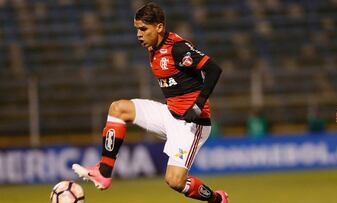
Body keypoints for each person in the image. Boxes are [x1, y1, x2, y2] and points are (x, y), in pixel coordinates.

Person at [72, 2, 228, 203]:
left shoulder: (178, 49)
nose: (139, 34)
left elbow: (214, 69)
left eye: (143, 29)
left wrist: (197, 105)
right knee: (118, 109)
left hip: (192, 123)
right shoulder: (154, 47)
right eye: (137, 29)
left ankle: (217, 199)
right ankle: (104, 171)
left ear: (159, 27)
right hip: (169, 115)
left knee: (174, 181)